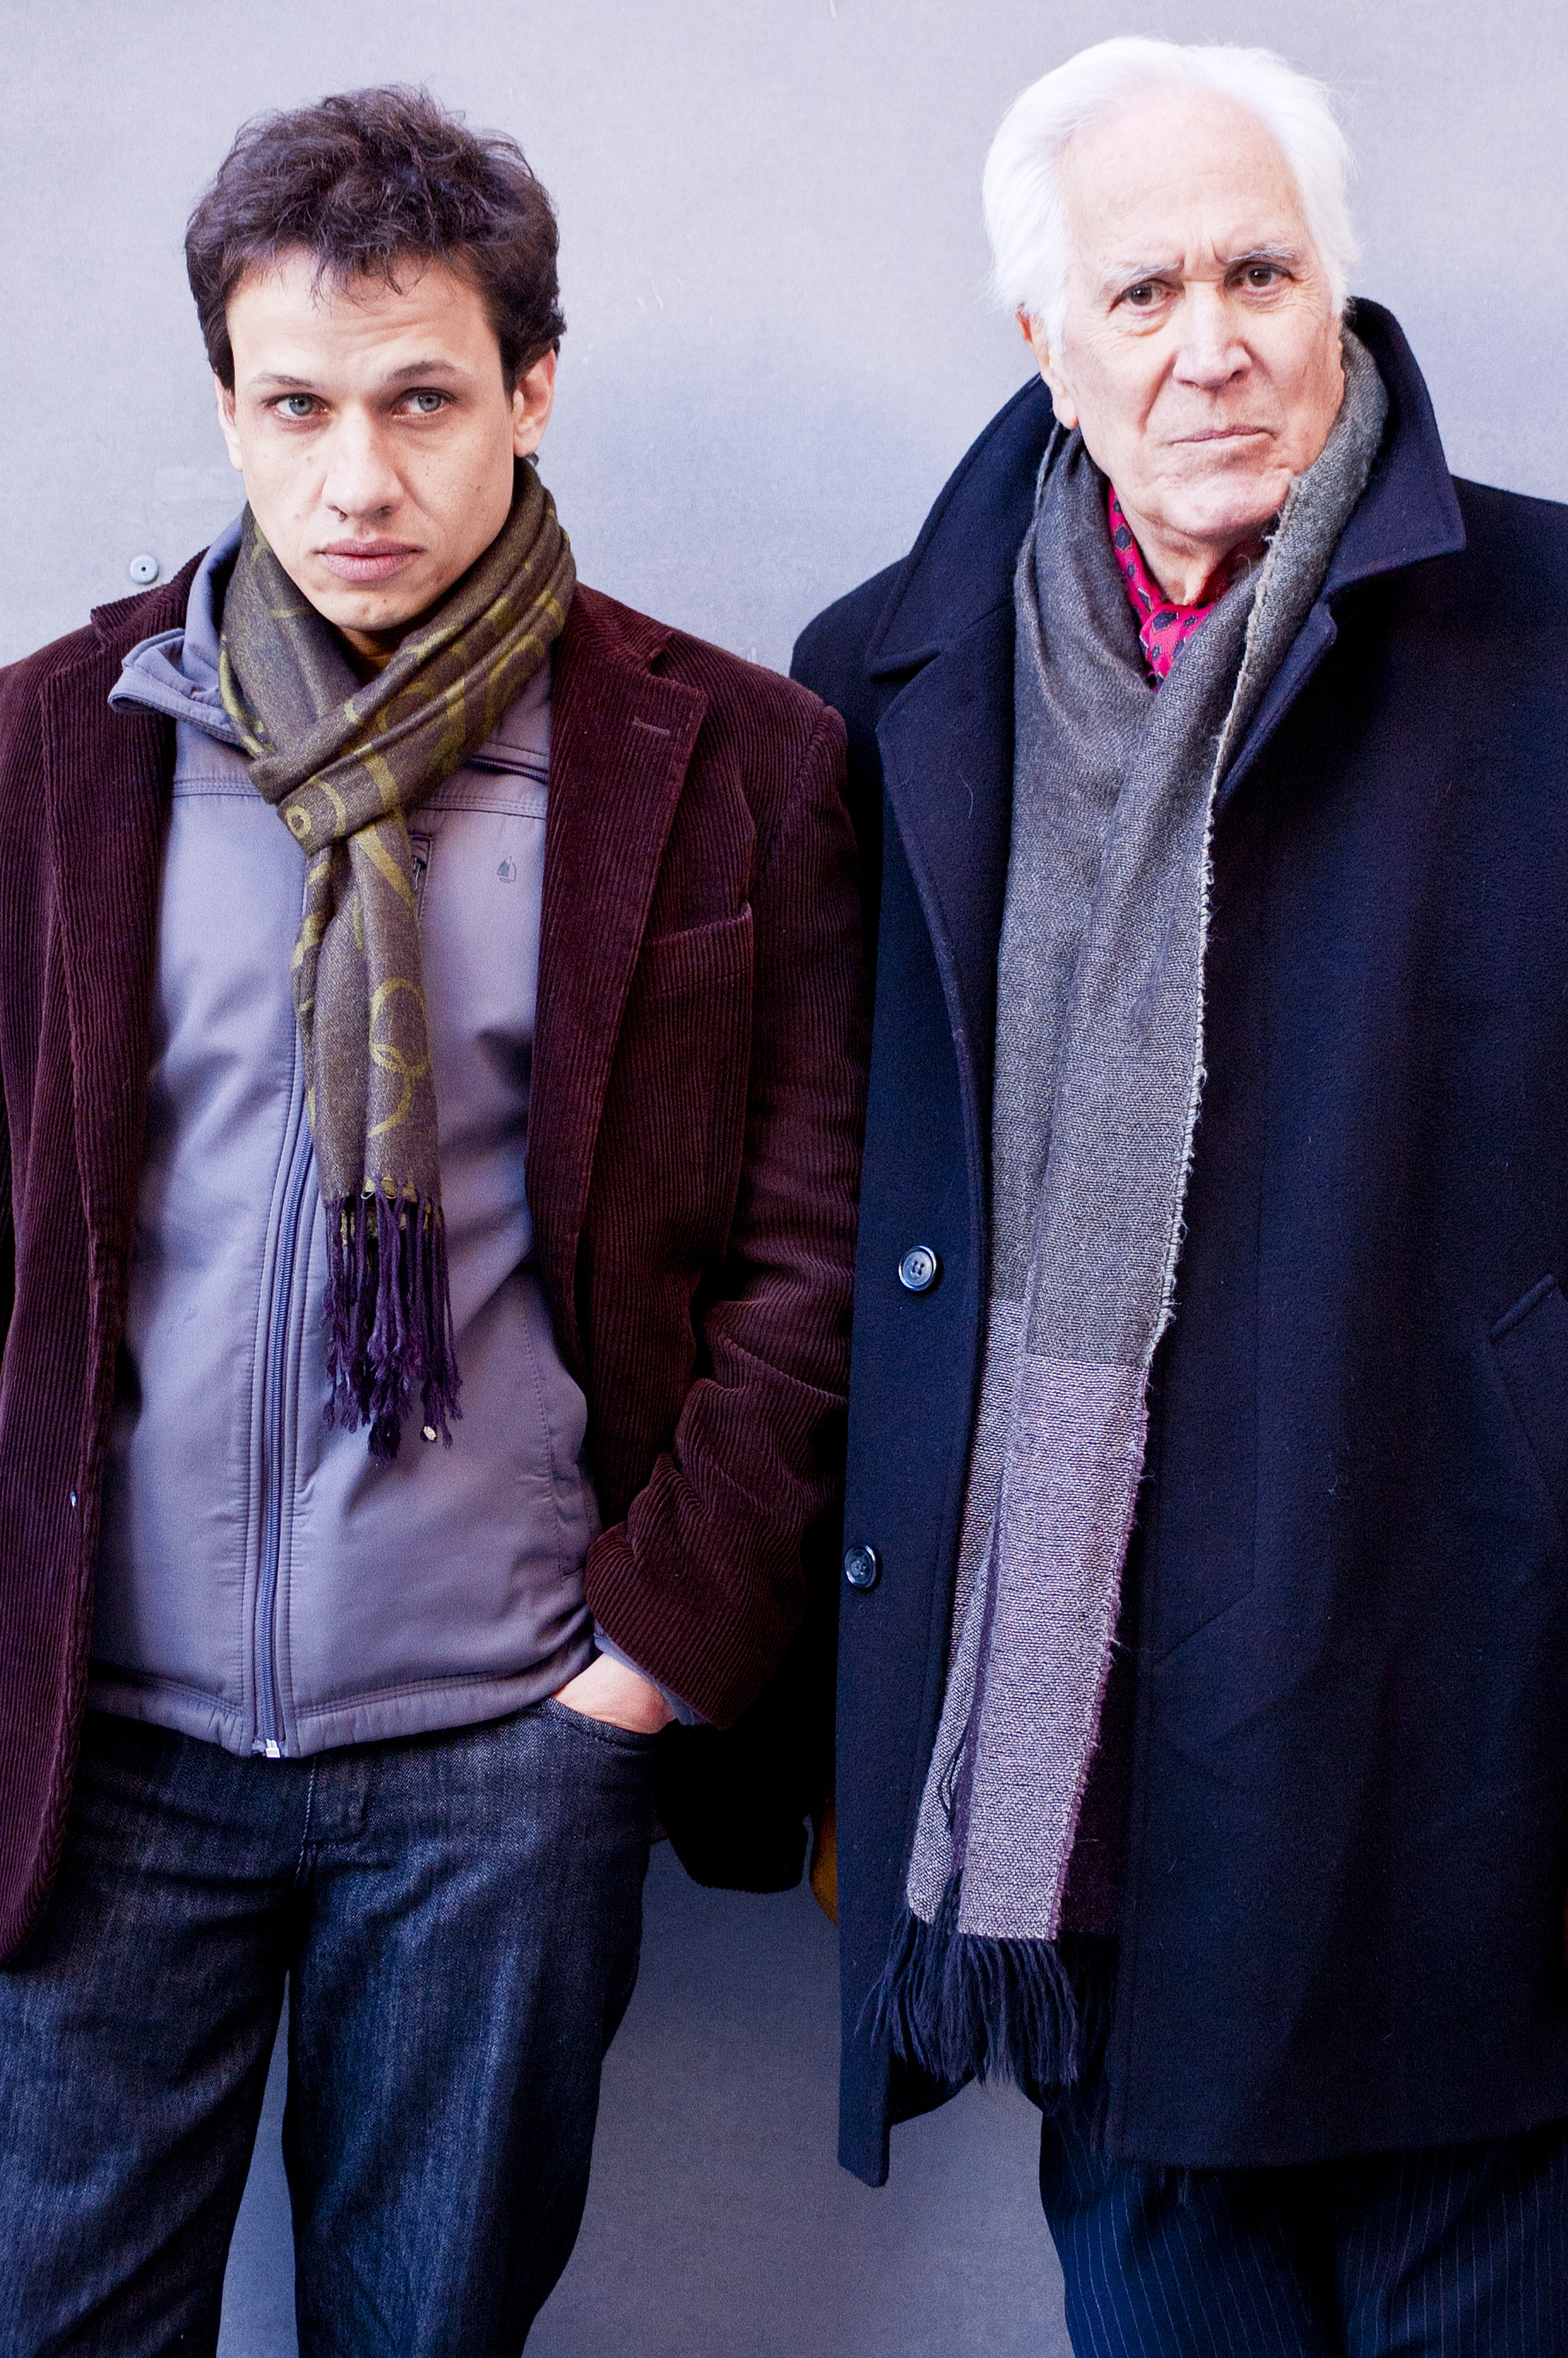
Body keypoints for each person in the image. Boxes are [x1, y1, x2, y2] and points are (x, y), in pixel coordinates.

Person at [0, 86, 864, 2354]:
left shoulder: (736, 762)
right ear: (226, 404)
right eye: (296, 407)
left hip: (507, 1750)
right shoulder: (53, 752)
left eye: (421, 400)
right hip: (107, 1750)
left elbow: (809, 1264)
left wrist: (638, 1669)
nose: (357, 479)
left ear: (531, 386)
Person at [794, 35, 1568, 2355]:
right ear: (1049, 341)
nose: (1211, 342)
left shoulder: (1547, 635)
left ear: (1337, 290)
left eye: (1261, 272)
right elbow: (835, 1210)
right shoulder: (894, 680)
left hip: (1469, 1691)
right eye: (1143, 292)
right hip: (1101, 1752)